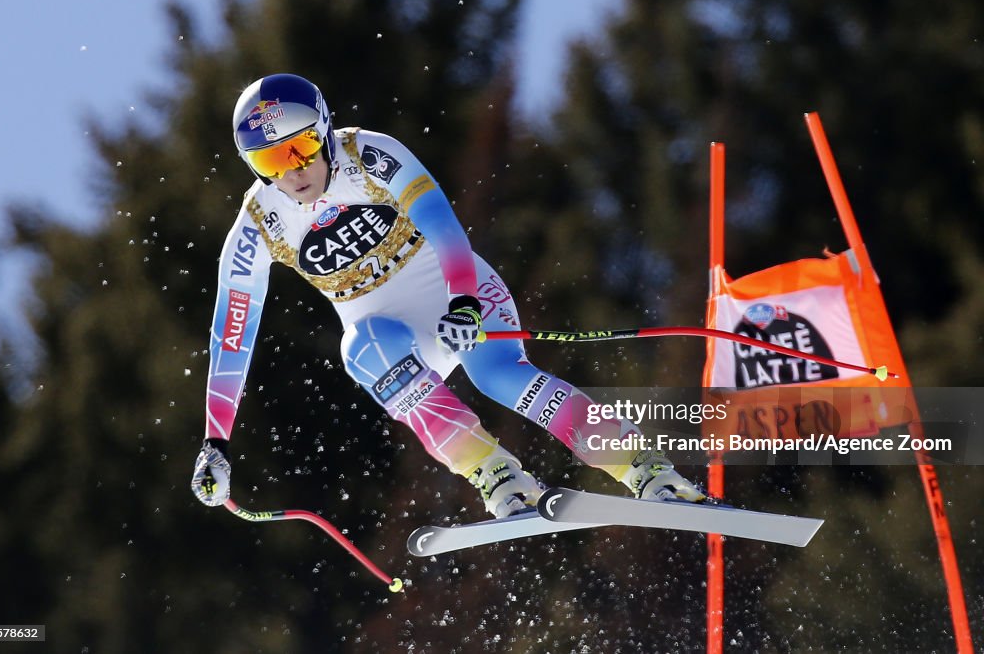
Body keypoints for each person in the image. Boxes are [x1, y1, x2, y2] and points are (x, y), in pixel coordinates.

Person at [191, 73, 706, 518]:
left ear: (324, 129)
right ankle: (497, 474)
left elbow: (442, 225)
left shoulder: (367, 154)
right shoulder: (259, 224)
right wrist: (216, 440)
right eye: (269, 161)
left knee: (499, 375)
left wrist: (462, 301)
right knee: (360, 350)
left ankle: (644, 467)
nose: (293, 172)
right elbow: (232, 334)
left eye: (299, 148)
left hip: (457, 293)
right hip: (398, 335)